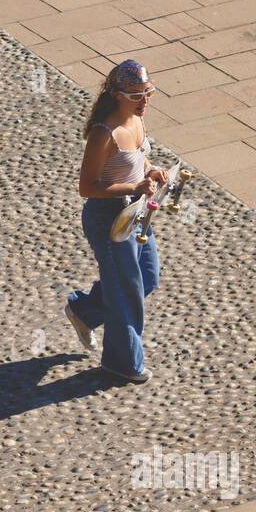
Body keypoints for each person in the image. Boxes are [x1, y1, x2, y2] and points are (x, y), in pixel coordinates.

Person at [65, 60, 167, 384]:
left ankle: (85, 310)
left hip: (135, 214)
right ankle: (122, 363)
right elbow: (87, 187)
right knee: (126, 291)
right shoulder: (103, 134)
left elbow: (138, 157)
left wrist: (150, 171)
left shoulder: (136, 121)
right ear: (118, 95)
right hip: (108, 219)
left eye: (148, 92)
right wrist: (134, 186)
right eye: (137, 95)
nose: (144, 101)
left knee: (148, 276)